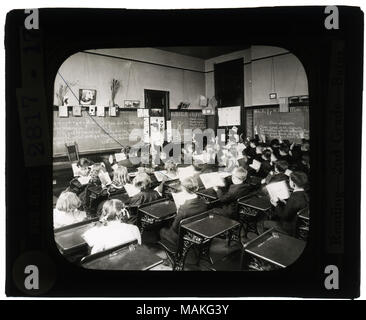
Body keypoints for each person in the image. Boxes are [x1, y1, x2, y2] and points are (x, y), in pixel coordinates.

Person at [159, 177, 208, 247]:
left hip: (183, 235)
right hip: (196, 229)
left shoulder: (184, 208)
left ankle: (172, 249)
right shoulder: (203, 201)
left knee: (162, 230)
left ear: (183, 188)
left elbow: (174, 228)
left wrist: (178, 210)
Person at [264, 171, 309, 236]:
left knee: (265, 223)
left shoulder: (294, 197)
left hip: (289, 228)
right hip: (300, 225)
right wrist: (285, 202)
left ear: (294, 183)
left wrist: (276, 205)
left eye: (290, 180)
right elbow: (295, 207)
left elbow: (284, 216)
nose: (289, 182)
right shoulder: (305, 194)